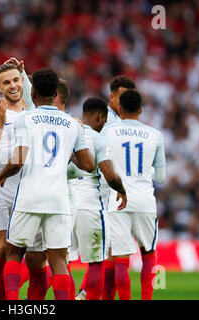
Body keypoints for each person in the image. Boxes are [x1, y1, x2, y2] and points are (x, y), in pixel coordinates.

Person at [0, 68, 95, 300]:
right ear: (55, 94)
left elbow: (19, 159)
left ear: (34, 93)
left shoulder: (25, 119)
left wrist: (1, 176)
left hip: (29, 196)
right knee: (58, 259)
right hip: (58, 200)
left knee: (14, 254)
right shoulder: (72, 124)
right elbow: (88, 165)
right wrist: (67, 153)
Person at [0, 60, 36, 300]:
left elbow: (35, 92)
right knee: (1, 249)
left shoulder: (32, 111)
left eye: (16, 80)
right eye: (6, 82)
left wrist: (23, 70)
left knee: (19, 252)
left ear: (22, 81)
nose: (12, 86)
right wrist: (0, 125)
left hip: (24, 189)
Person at [101, 89, 166, 300]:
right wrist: (145, 171)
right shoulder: (156, 135)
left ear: (119, 109)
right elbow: (162, 177)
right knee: (148, 255)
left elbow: (101, 166)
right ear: (141, 110)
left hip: (117, 200)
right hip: (145, 201)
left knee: (120, 259)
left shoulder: (108, 132)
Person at [77, 75, 137, 300]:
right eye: (123, 97)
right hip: (101, 190)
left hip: (107, 189)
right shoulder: (106, 122)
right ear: (112, 98)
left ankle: (85, 292)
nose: (126, 102)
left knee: (107, 251)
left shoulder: (122, 123)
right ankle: (84, 292)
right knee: (104, 251)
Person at [67, 97, 127, 300]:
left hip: (65, 203)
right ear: (101, 117)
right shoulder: (99, 139)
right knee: (96, 263)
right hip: (90, 205)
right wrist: (122, 190)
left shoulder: (69, 131)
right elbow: (110, 176)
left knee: (60, 261)